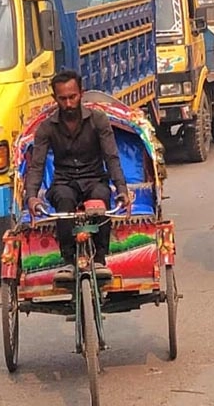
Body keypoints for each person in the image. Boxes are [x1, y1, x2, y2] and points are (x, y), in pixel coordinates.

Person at [24, 71, 132, 278]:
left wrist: (122, 190)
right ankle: (68, 260)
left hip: (94, 180)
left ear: (81, 94)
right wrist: (31, 196)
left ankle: (100, 258)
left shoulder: (98, 120)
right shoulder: (46, 128)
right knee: (63, 200)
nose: (69, 104)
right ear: (55, 99)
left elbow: (111, 157)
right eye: (63, 99)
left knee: (101, 198)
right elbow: (36, 165)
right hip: (64, 183)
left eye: (72, 97)